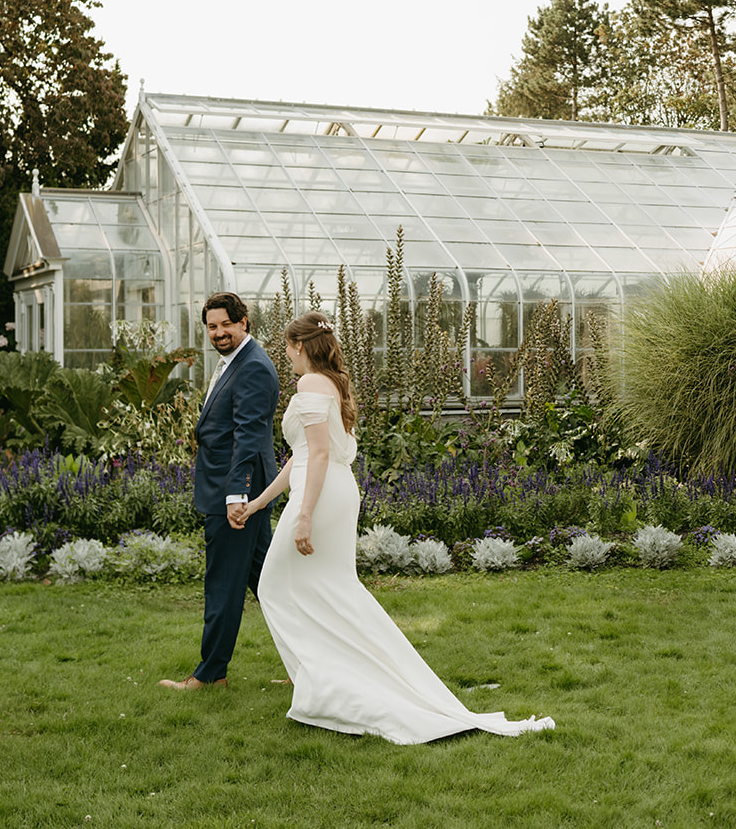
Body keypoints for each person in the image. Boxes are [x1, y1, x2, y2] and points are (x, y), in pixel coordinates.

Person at [236, 310, 555, 743]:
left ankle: (327, 684)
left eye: (288, 348)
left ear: (299, 346)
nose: (285, 356)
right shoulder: (333, 383)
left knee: (277, 584)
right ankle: (325, 678)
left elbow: (318, 455)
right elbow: (301, 456)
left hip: (321, 494)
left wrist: (305, 515)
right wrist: (258, 504)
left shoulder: (310, 383)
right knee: (327, 590)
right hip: (330, 489)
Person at [159, 292, 279, 691]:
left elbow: (248, 435)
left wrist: (235, 496)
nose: (219, 333)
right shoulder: (236, 362)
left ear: (244, 322)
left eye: (226, 324)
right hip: (233, 490)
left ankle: (210, 676)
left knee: (224, 585)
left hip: (236, 495)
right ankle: (318, 665)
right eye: (212, 326)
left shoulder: (253, 366)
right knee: (276, 586)